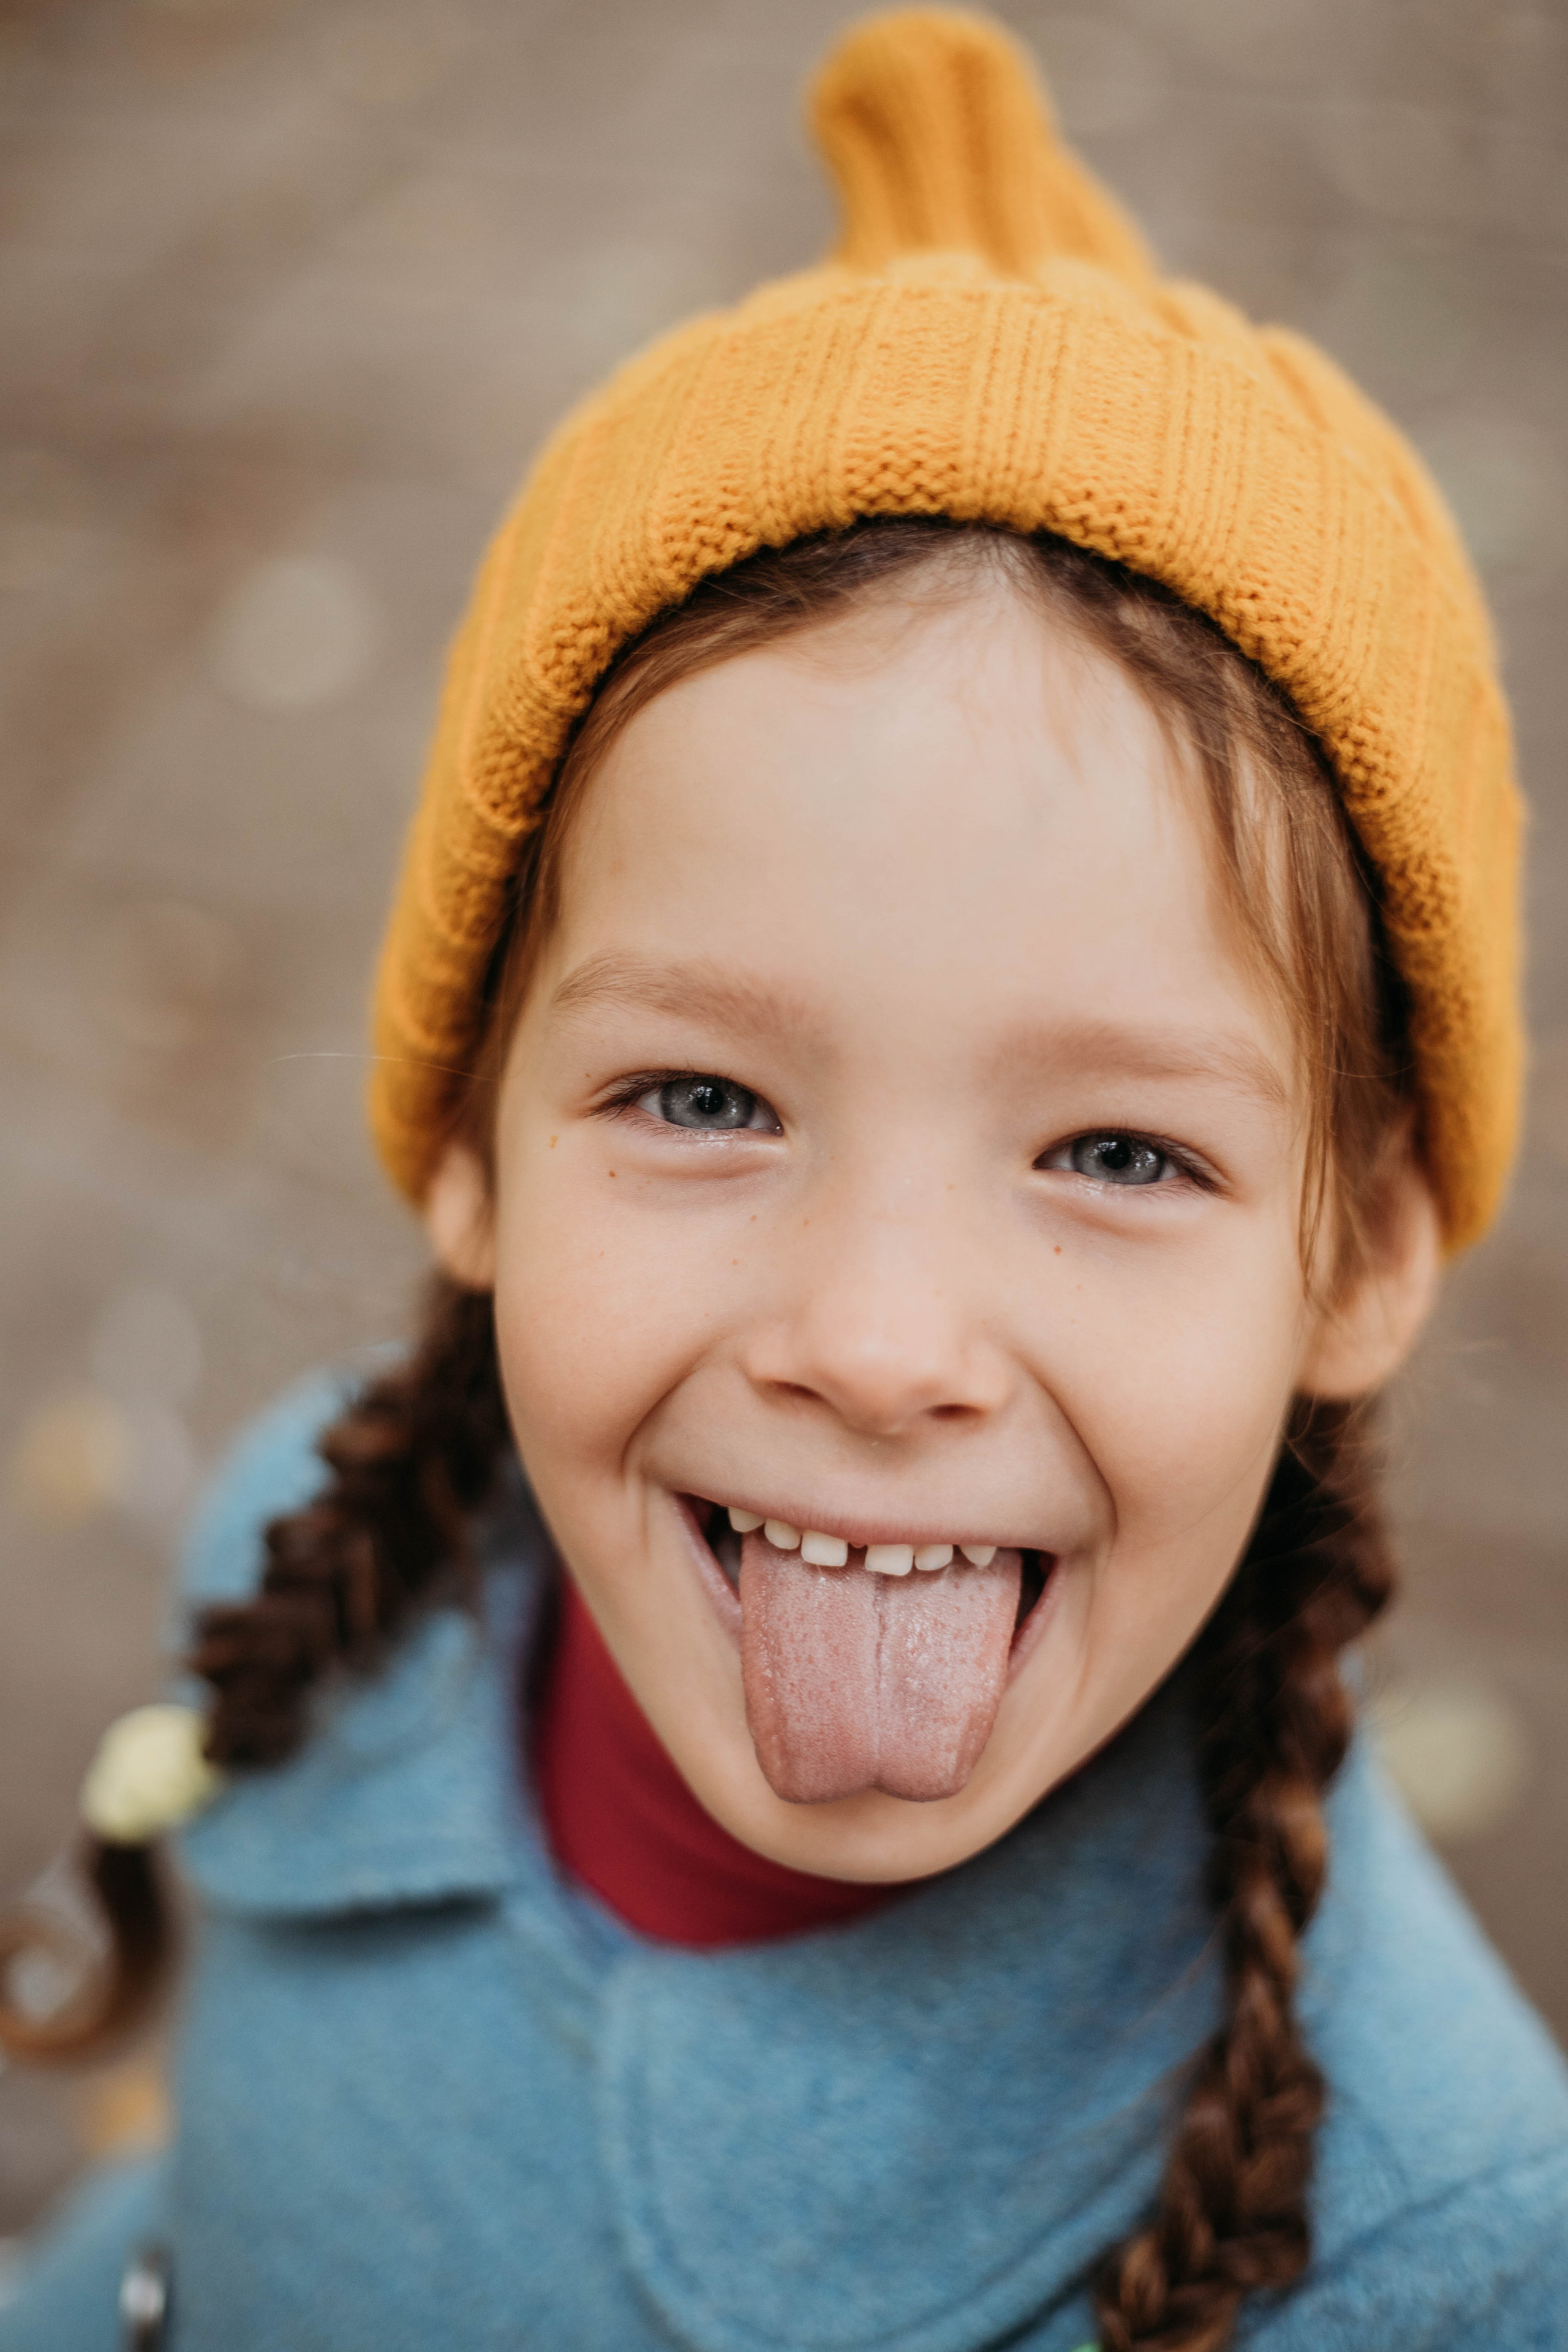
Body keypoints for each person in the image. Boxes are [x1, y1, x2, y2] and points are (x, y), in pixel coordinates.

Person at [2, 10, 1565, 2349]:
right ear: (470, 1153)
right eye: (704, 1103)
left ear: (1356, 1263)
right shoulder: (301, 1592)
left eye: (1119, 1150)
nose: (873, 1338)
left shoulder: (1443, 2244)